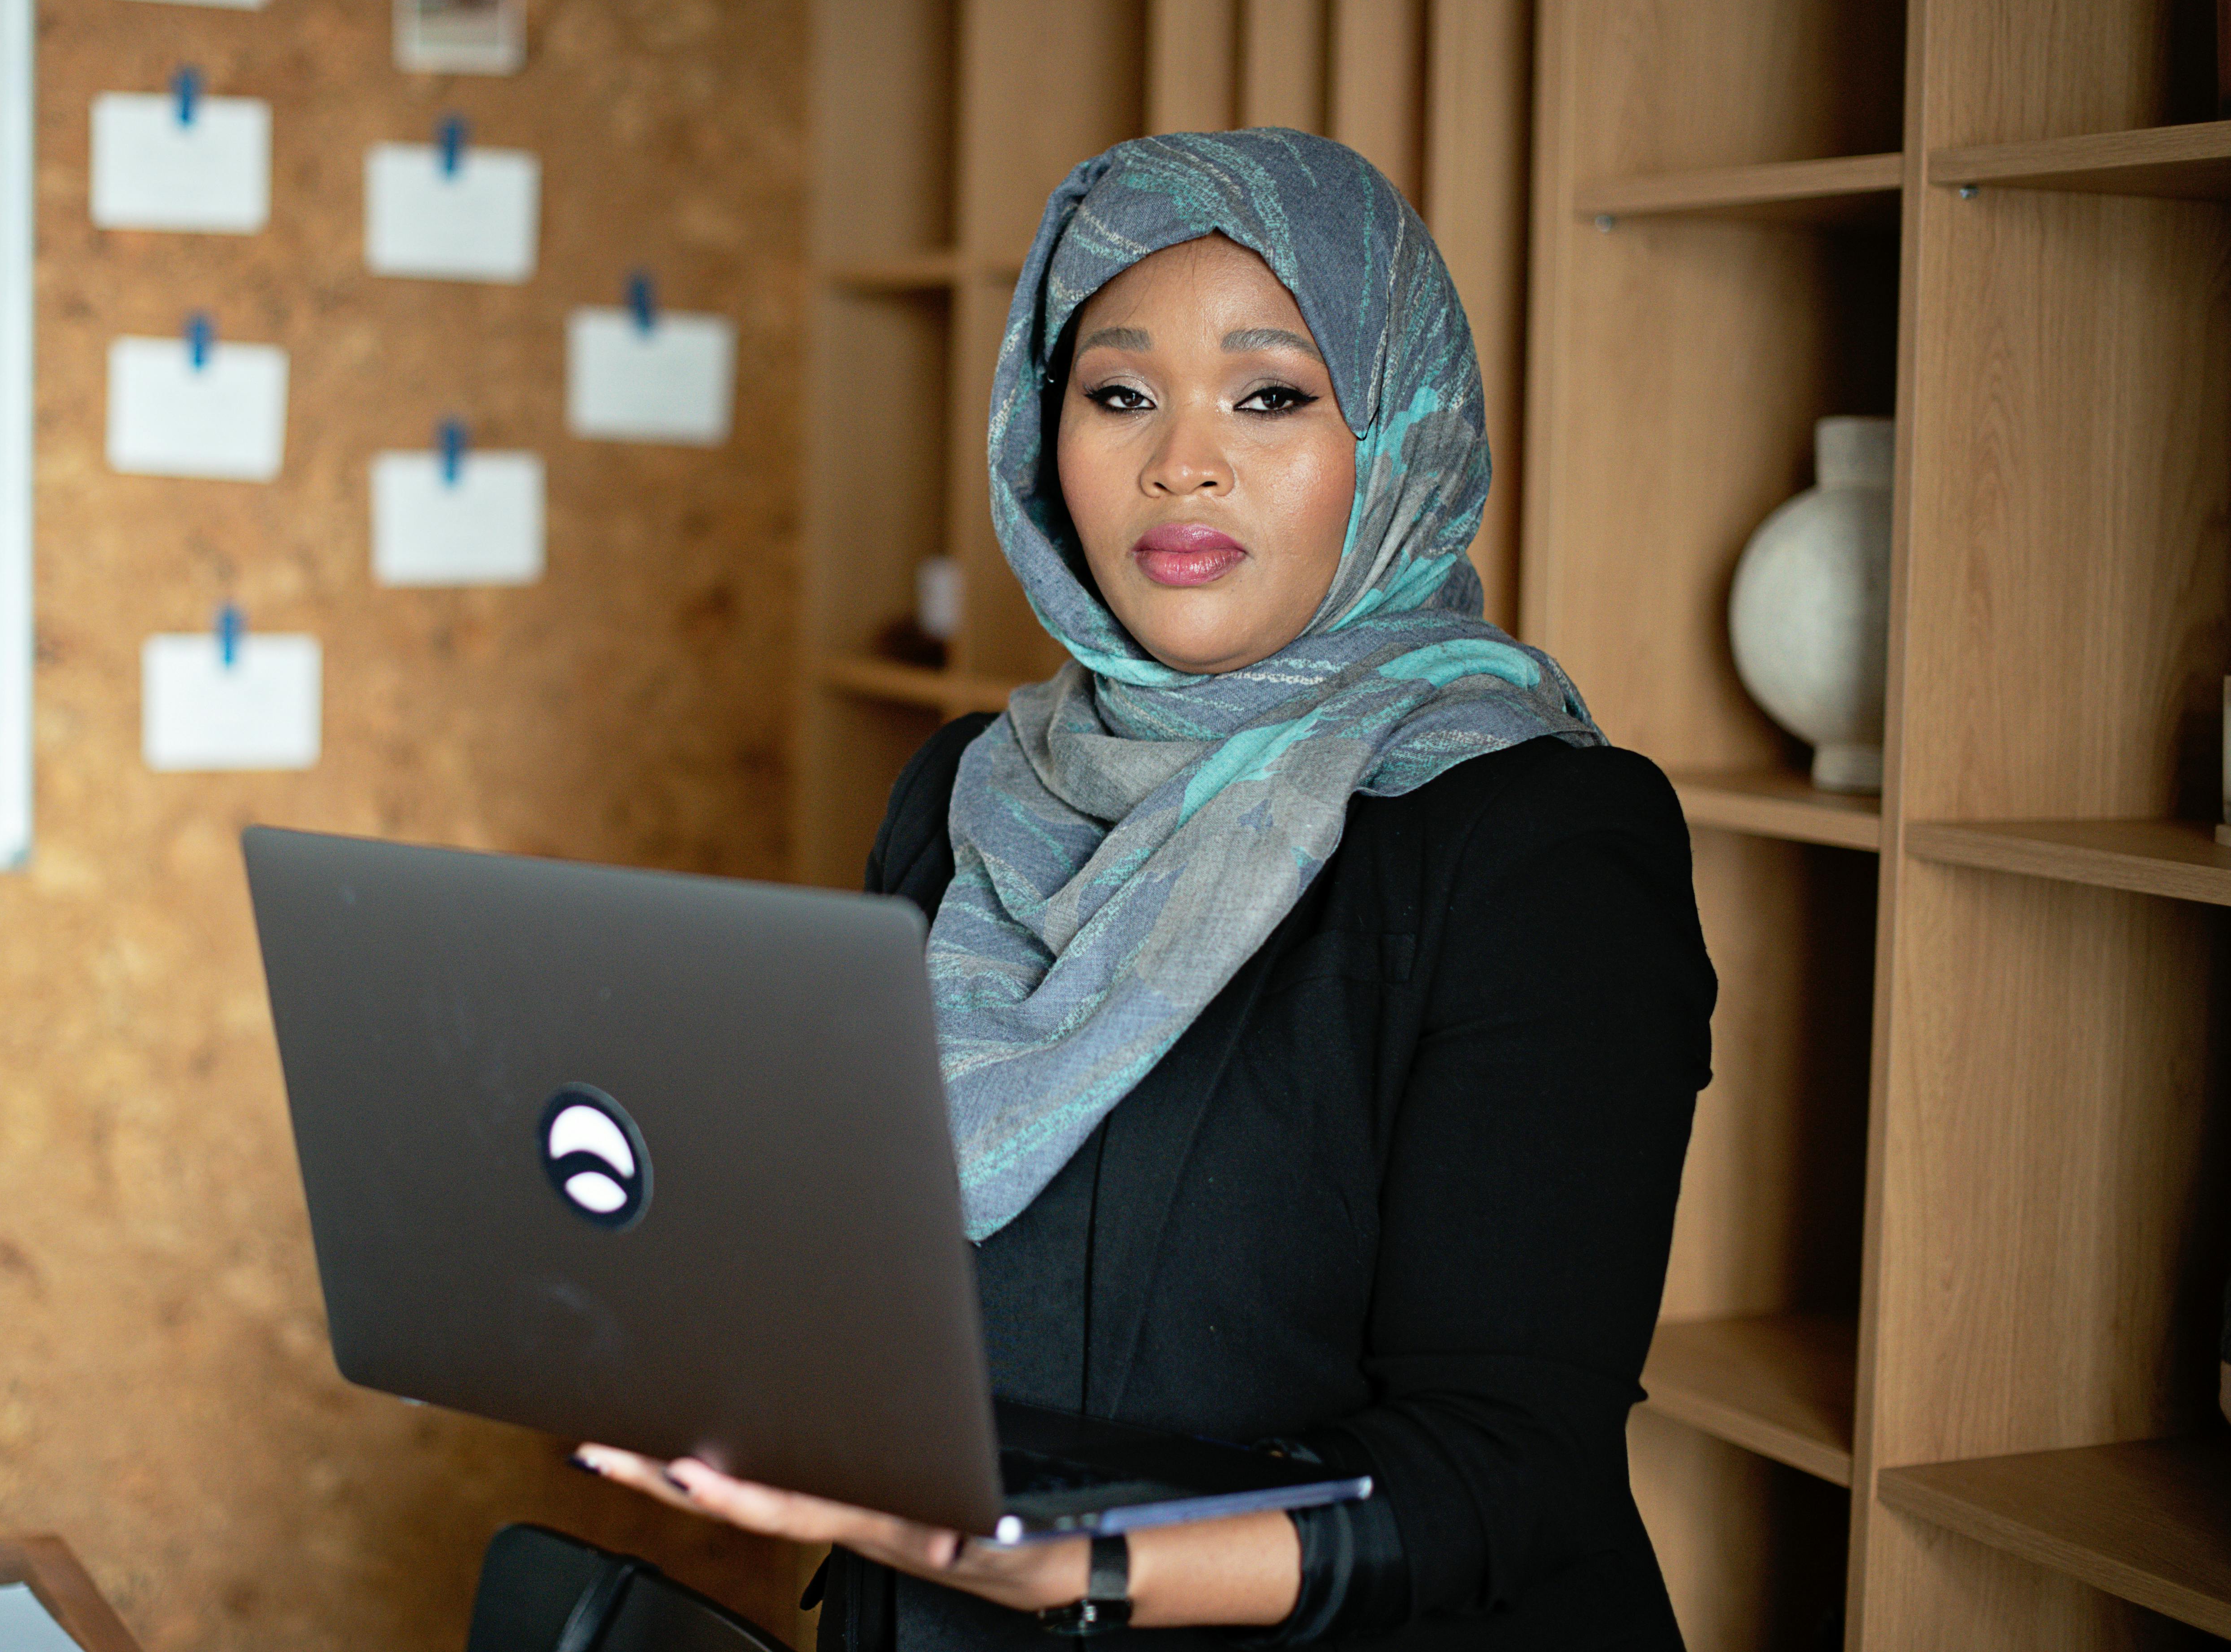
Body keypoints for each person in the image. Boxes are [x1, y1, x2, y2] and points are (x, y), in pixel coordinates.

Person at [577, 129, 1715, 1647]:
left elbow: (1510, 1472)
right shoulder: (969, 789)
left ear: (1401, 432)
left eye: (1273, 395)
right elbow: (884, 1269)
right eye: (1118, 394)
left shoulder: (1541, 846)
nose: (1183, 459)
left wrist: (1075, 1567)